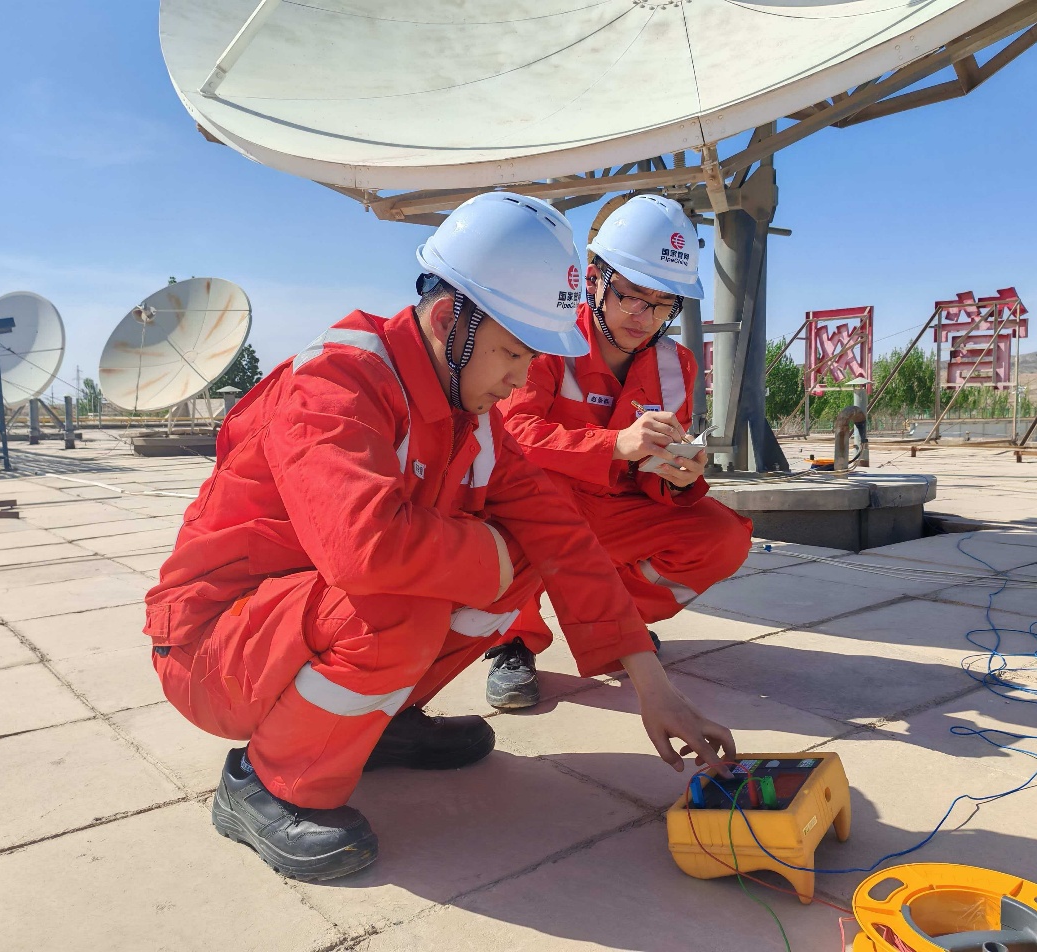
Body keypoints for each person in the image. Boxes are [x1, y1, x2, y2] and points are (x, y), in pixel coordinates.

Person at [143, 192, 736, 883]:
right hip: (212, 649)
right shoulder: (336, 381)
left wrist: (652, 686)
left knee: (524, 555)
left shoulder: (467, 411)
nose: (518, 379)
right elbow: (364, 549)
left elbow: (562, 536)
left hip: (291, 624)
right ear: (450, 320)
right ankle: (266, 783)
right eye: (511, 353)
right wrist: (492, 559)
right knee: (407, 596)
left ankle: (377, 722)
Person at [486, 195, 753, 711]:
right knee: (531, 499)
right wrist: (613, 443)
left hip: (613, 510)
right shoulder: (548, 339)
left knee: (722, 537)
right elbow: (511, 434)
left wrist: (678, 475)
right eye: (632, 296)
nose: (645, 317)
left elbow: (652, 467)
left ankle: (619, 625)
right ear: (594, 280)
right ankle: (514, 641)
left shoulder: (676, 365)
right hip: (542, 506)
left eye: (663, 303)